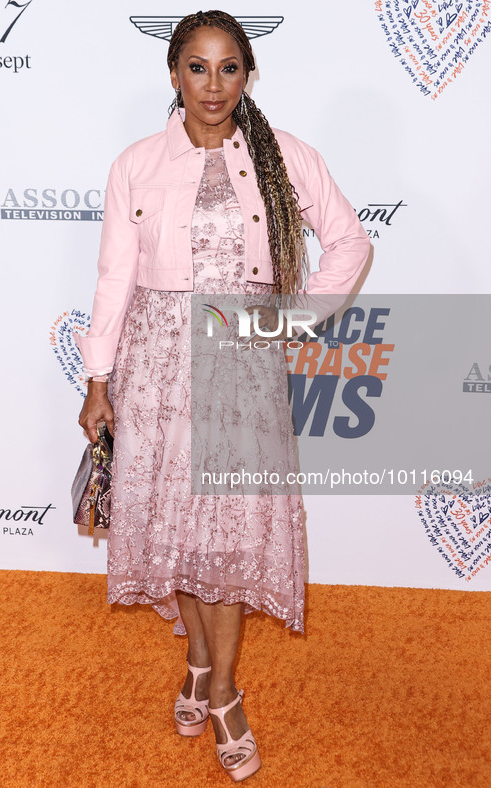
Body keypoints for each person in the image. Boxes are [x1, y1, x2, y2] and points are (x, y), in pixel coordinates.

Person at [76, 9, 370, 782]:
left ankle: (224, 692)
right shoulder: (136, 163)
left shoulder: (281, 156)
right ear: (173, 73)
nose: (213, 85)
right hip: (159, 367)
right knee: (182, 525)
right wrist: (98, 381)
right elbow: (113, 279)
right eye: (197, 68)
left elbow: (349, 240)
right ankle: (203, 672)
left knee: (230, 532)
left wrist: (294, 317)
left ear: (248, 74)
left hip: (240, 361)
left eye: (228, 67)